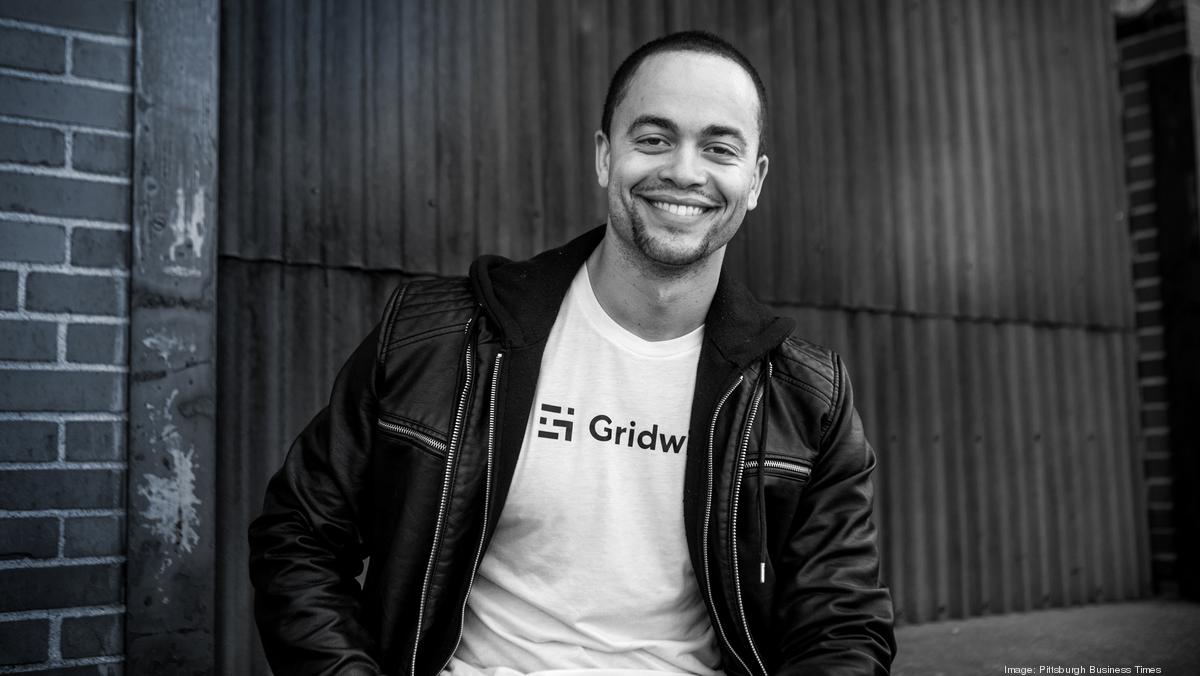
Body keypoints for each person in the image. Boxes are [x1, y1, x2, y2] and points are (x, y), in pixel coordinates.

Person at [250, 30, 895, 676]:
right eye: (654, 139)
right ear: (604, 157)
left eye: (719, 148)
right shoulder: (438, 339)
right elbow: (298, 536)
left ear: (754, 180)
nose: (684, 171)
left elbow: (842, 627)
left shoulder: (806, 400)